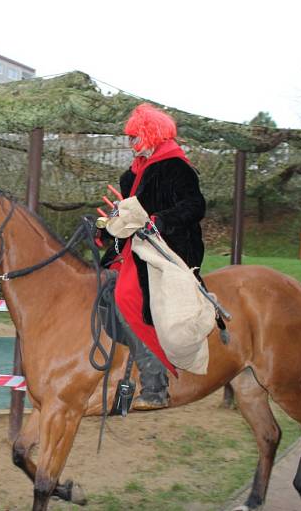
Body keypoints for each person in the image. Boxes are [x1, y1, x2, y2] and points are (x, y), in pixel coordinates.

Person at [100, 103, 206, 410]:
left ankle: (154, 383)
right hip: (134, 245)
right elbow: (124, 218)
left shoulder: (176, 167)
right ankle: (123, 365)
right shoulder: (129, 175)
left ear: (151, 135)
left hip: (170, 246)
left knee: (128, 295)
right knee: (99, 281)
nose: (130, 143)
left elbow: (195, 206)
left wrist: (160, 221)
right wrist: (104, 230)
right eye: (130, 138)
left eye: (134, 137)